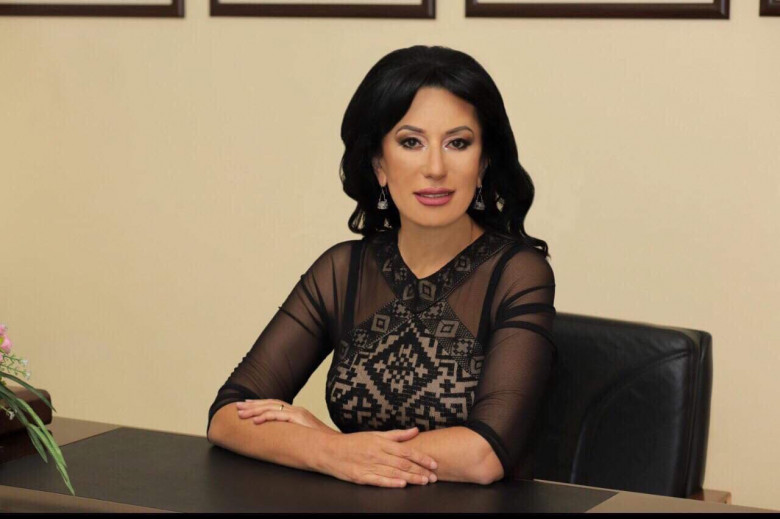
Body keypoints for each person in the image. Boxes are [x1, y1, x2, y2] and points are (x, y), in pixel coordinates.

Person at [206, 45, 556, 489]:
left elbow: (484, 455)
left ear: (484, 162)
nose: (435, 167)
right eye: (411, 142)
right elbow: (228, 416)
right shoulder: (343, 270)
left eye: (458, 143)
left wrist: (339, 445)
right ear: (379, 165)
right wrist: (329, 451)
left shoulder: (517, 273)